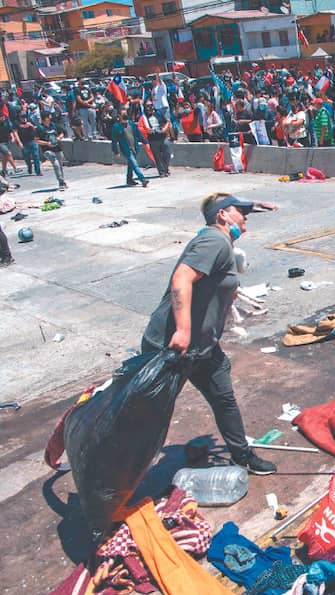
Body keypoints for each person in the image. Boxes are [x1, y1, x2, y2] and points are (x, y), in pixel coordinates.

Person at [142, 193, 276, 476]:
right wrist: (182, 330)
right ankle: (119, 470)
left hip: (203, 349)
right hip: (171, 347)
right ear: (222, 216)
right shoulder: (214, 241)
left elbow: (213, 283)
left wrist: (260, 205)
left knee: (223, 398)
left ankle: (241, 455)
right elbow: (182, 279)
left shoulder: (221, 241)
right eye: (239, 211)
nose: (245, 216)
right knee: (149, 414)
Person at [111, 109, 150, 188]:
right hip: (126, 149)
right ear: (119, 116)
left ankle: (129, 179)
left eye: (126, 113)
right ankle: (143, 180)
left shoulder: (131, 124)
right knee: (134, 164)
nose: (125, 115)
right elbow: (114, 141)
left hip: (135, 148)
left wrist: (145, 142)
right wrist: (116, 151)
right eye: (123, 114)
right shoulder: (116, 127)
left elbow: (138, 134)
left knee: (131, 164)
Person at [35, 113, 67, 191]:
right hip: (47, 149)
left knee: (59, 165)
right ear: (45, 118)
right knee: (55, 164)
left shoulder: (54, 125)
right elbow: (36, 140)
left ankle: (62, 180)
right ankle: (61, 182)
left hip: (57, 148)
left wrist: (59, 137)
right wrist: (47, 143)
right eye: (49, 116)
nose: (50, 117)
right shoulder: (39, 128)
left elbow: (62, 133)